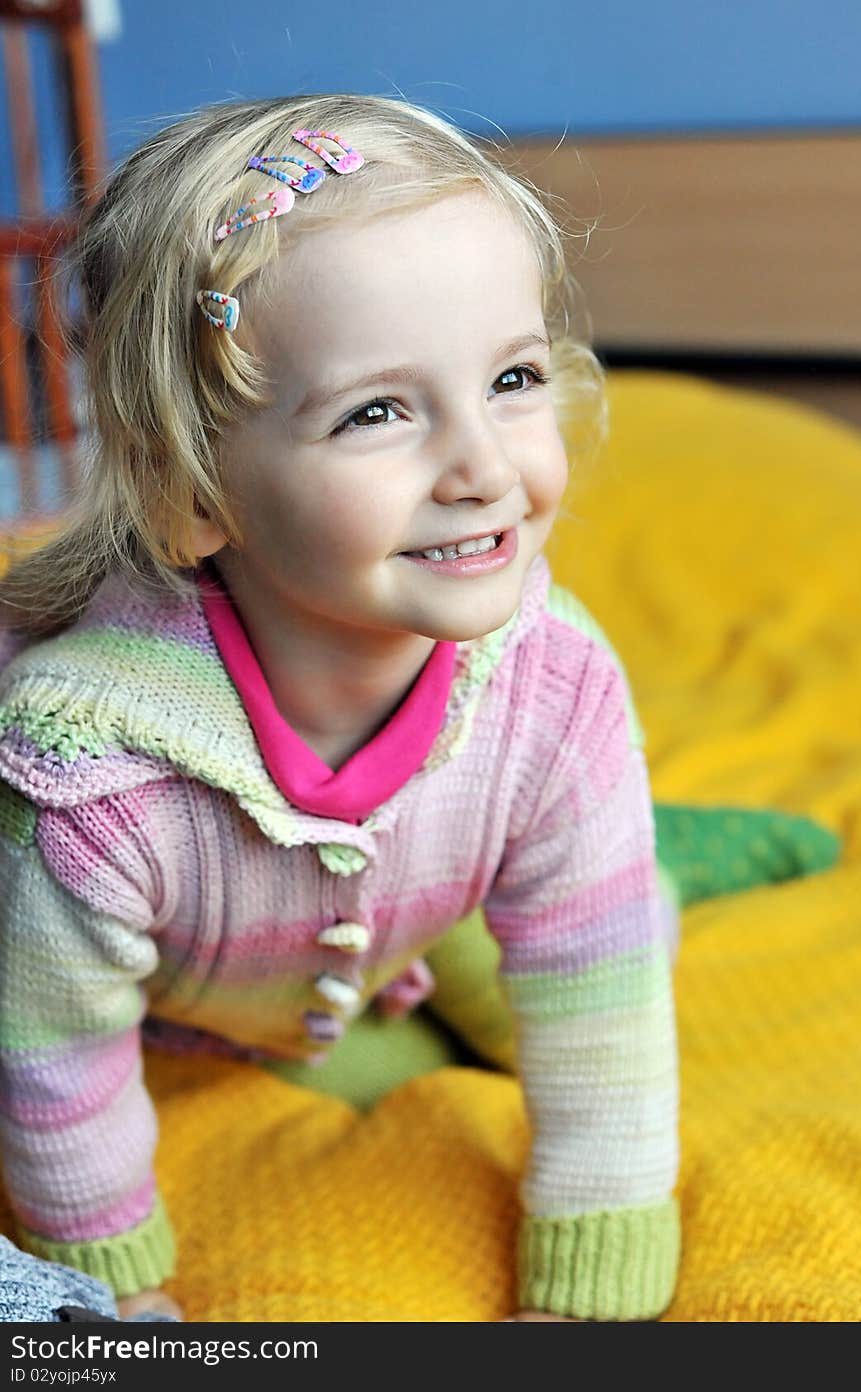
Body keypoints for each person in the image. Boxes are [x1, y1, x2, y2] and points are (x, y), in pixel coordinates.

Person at [0, 93, 746, 1323]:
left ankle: (658, 861)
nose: (485, 469)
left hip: (433, 898)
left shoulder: (553, 692)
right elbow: (53, 1061)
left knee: (603, 953)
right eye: (377, 413)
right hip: (182, 988)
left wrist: (592, 1294)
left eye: (512, 377)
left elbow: (599, 1016)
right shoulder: (90, 778)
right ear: (195, 492)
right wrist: (111, 1296)